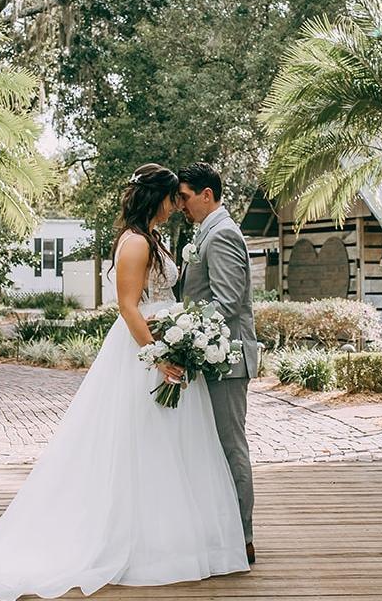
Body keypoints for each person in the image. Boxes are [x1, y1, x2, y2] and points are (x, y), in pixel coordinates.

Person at [0, 163, 249, 600]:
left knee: (170, 447)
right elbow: (128, 307)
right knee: (138, 445)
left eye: (182, 199)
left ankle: (167, 537)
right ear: (156, 199)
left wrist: (176, 341)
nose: (177, 207)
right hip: (144, 351)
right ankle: (133, 540)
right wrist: (156, 357)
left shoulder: (154, 239)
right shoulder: (135, 243)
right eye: (173, 199)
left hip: (166, 345)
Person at [176, 162, 261, 565]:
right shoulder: (207, 232)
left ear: (206, 195)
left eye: (186, 197)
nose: (181, 204)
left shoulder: (223, 234)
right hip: (213, 359)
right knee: (214, 447)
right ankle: (222, 533)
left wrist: (179, 324)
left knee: (230, 447)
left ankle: (243, 538)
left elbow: (227, 302)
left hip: (227, 359)